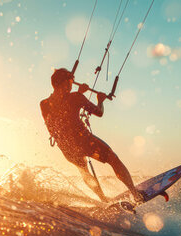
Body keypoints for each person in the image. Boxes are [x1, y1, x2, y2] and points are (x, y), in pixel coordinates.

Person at [40, 68, 144, 203]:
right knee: (113, 159)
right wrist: (100, 100)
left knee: (84, 171)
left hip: (66, 147)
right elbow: (99, 113)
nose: (72, 84)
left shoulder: (44, 104)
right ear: (65, 83)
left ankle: (103, 199)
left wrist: (78, 93)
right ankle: (135, 193)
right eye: (71, 81)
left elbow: (60, 113)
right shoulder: (76, 97)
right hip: (84, 141)